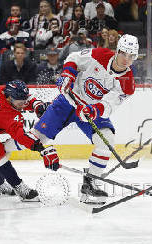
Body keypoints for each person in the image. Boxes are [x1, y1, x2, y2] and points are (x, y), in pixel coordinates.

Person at [30, 34, 139, 205]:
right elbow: (74, 58)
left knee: (106, 141)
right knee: (35, 137)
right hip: (68, 102)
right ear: (117, 50)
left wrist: (95, 110)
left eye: (131, 56)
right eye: (124, 53)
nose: (127, 59)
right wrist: (68, 74)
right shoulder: (99, 55)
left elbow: (110, 105)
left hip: (91, 112)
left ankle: (90, 183)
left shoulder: (128, 83)